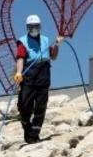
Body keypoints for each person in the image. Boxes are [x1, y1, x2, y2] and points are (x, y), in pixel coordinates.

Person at [13, 13, 61, 144]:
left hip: (43, 74)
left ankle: (34, 134)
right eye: (31, 26)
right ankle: (26, 125)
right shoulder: (23, 42)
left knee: (41, 106)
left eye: (36, 26)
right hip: (29, 74)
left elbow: (53, 56)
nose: (34, 29)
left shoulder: (45, 40)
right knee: (24, 104)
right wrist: (19, 72)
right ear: (27, 27)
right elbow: (20, 58)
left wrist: (57, 44)